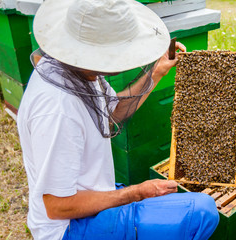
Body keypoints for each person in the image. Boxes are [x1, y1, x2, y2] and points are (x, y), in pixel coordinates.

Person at [17, 0, 219, 239]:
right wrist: (135, 193)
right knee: (202, 211)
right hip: (69, 227)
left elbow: (111, 112)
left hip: (89, 200)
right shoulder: (57, 109)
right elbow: (57, 206)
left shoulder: (79, 69)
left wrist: (156, 73)